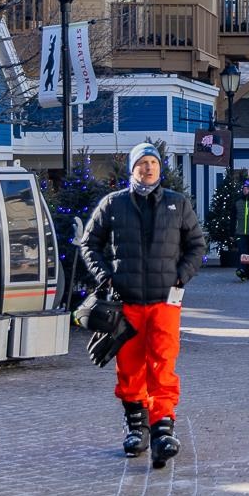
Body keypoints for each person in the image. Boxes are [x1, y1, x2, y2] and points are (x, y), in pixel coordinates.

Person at [79, 141, 206, 465]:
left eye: (152, 162)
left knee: (163, 365)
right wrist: (105, 276)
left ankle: (163, 430)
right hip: (128, 303)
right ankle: (137, 429)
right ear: (132, 169)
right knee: (131, 367)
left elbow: (196, 245)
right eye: (142, 163)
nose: (147, 168)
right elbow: (89, 243)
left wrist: (180, 276)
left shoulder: (178, 204)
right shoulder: (113, 204)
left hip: (166, 301)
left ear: (160, 168)